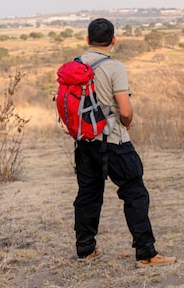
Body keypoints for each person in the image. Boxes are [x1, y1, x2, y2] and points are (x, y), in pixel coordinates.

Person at [72, 18, 176, 266]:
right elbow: (125, 111)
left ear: (87, 40)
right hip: (114, 141)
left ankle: (86, 250)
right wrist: (127, 124)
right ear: (114, 40)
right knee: (135, 194)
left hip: (84, 142)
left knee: (88, 195)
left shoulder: (76, 65)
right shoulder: (114, 67)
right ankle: (147, 253)